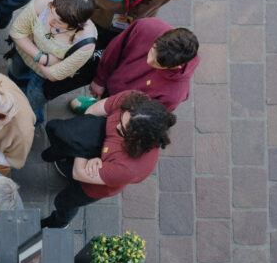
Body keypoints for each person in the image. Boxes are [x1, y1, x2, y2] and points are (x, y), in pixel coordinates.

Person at [43, 0, 189, 101]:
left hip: (131, 30)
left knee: (92, 67)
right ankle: (43, 79)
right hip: (94, 18)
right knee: (66, 48)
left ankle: (49, 91)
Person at [40, 91, 176, 228]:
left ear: (138, 139)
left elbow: (79, 173)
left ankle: (60, 222)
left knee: (64, 202)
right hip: (95, 151)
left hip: (92, 187)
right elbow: (92, 112)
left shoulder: (129, 168)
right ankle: (66, 168)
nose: (117, 126)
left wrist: (83, 147)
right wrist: (88, 149)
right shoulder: (132, 99)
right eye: (121, 117)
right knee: (69, 164)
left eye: (123, 129)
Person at [7, 0, 97, 125]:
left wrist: (28, 41)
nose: (49, 21)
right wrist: (45, 59)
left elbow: (54, 75)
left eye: (59, 22)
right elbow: (16, 32)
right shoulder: (44, 1)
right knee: (15, 77)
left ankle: (26, 124)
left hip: (42, 78)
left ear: (77, 24)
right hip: (21, 57)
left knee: (31, 105)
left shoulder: (85, 43)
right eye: (51, 11)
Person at [71, 20, 200, 114]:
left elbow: (144, 114)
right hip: (113, 83)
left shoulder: (172, 95)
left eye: (157, 63)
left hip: (123, 109)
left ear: (177, 66)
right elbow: (115, 48)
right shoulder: (147, 27)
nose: (149, 61)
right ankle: (97, 103)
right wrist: (100, 79)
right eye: (152, 50)